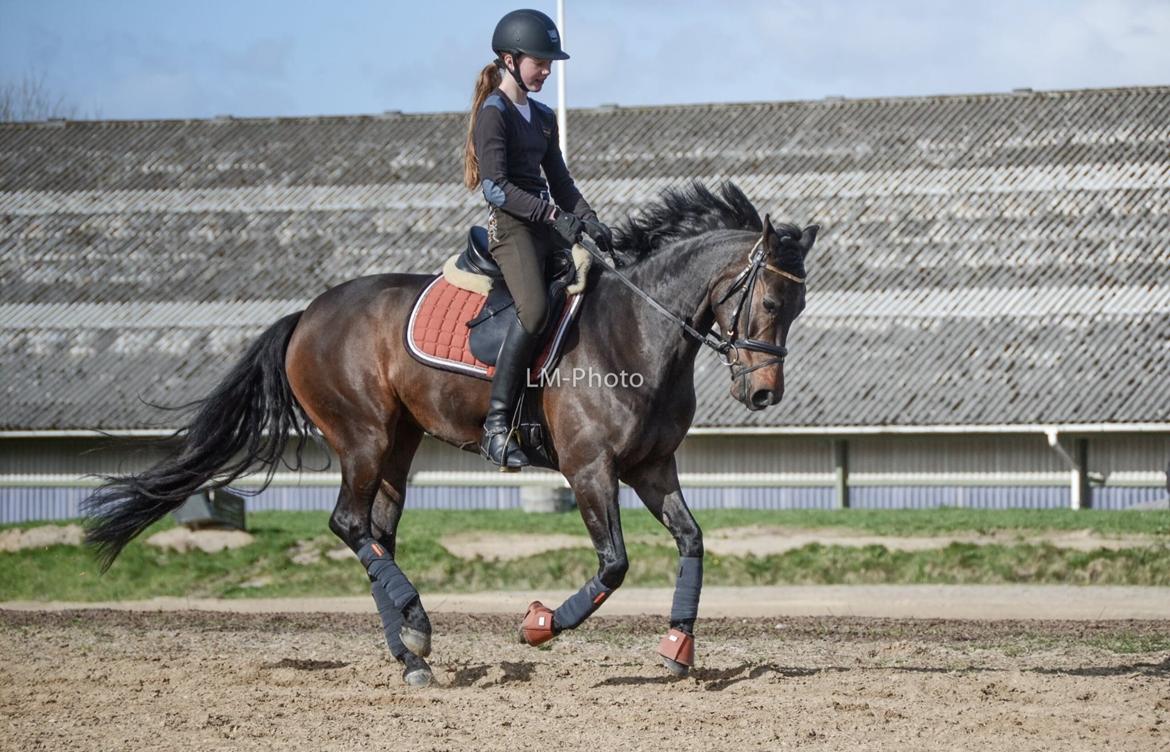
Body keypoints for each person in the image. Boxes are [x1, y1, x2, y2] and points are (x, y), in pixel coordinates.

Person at [463, 8, 612, 469]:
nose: (546, 70)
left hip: (547, 225)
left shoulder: (544, 116)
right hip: (512, 229)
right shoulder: (494, 113)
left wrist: (589, 219)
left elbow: (561, 182)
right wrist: (550, 214)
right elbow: (495, 188)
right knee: (533, 309)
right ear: (510, 60)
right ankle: (496, 426)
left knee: (598, 288)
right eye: (540, 62)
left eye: (549, 63)